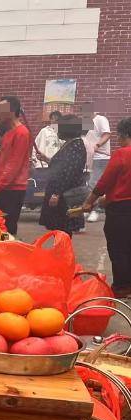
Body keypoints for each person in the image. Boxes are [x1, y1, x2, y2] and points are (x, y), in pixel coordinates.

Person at [81, 117, 131, 297]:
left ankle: (122, 287)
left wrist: (89, 201)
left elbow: (105, 182)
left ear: (123, 134)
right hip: (121, 204)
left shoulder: (123, 153)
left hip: (121, 210)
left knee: (119, 247)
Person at [0, 96, 31, 236]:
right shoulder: (8, 133)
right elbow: (1, 162)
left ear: (12, 111)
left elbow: (14, 165)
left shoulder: (22, 133)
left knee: (7, 228)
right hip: (3, 187)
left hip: (13, 189)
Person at [38, 115, 88, 236]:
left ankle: (61, 254)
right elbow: (62, 166)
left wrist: (57, 194)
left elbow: (68, 173)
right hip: (61, 193)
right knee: (59, 229)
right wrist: (46, 159)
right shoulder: (70, 144)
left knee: (63, 228)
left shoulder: (75, 146)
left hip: (64, 196)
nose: (57, 131)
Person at [85, 111, 112, 223]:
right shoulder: (86, 122)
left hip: (101, 157)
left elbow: (107, 134)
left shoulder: (101, 119)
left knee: (95, 183)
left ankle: (96, 210)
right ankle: (89, 207)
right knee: (88, 184)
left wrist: (97, 145)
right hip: (90, 157)